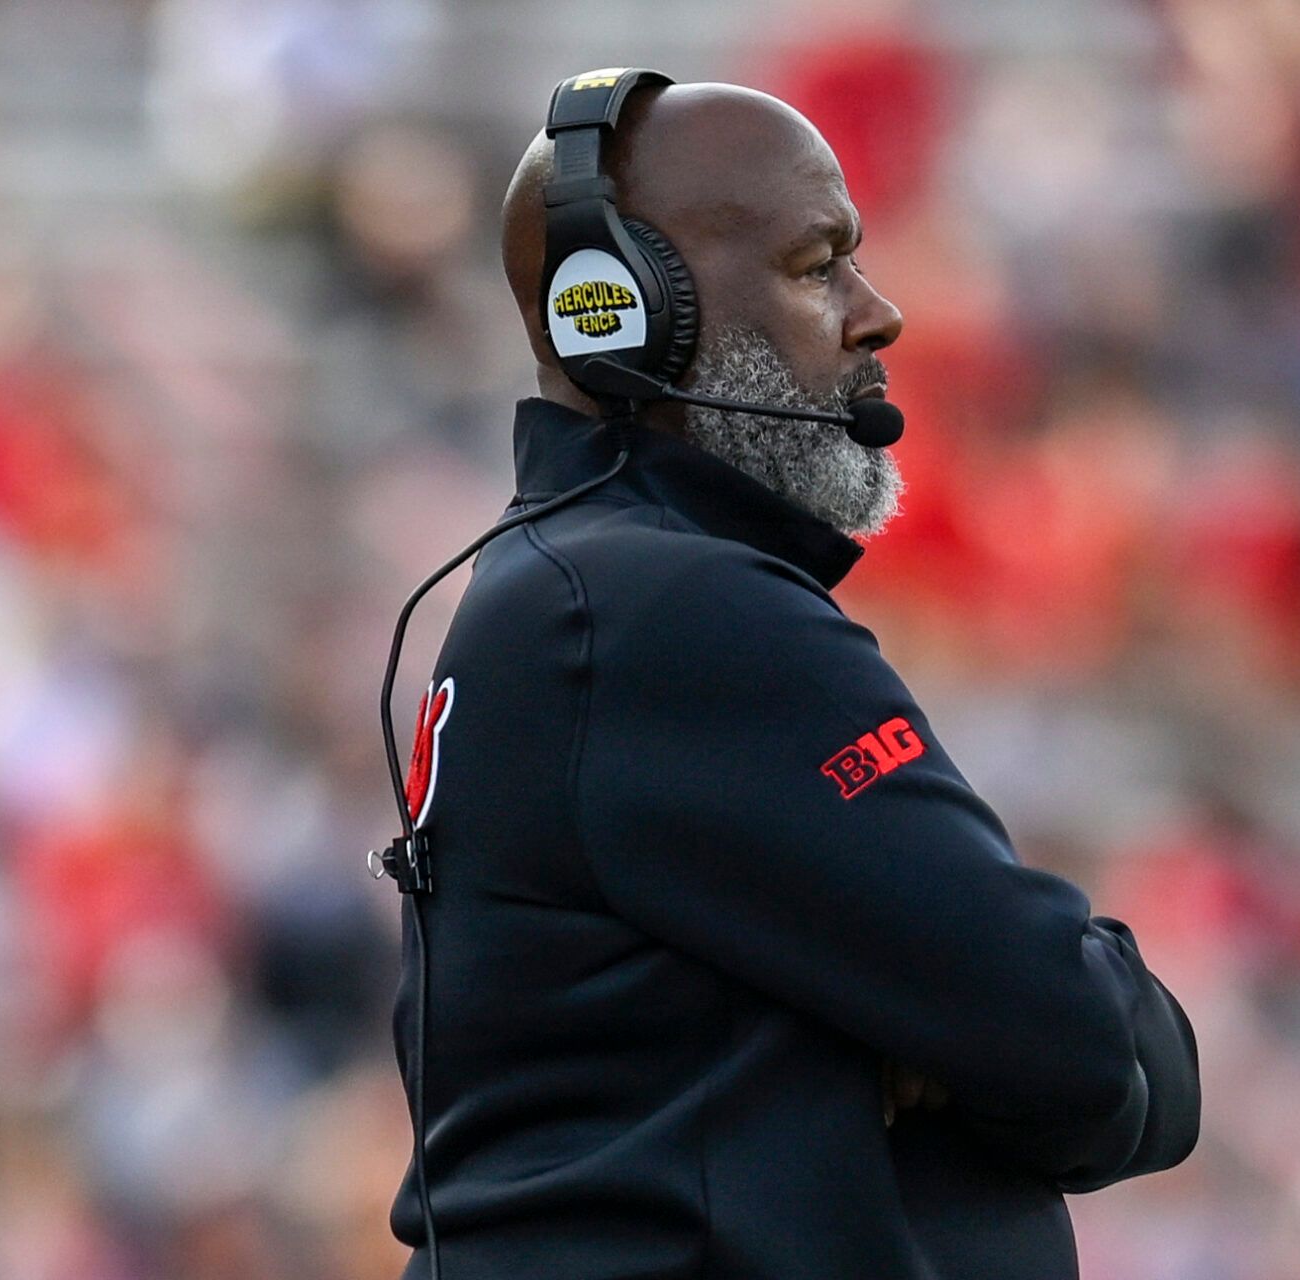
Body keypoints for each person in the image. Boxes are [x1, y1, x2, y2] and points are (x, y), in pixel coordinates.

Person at [384, 71, 1199, 1280]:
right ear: (628, 313)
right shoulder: (669, 608)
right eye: (819, 266)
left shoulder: (574, 593)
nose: (880, 315)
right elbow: (1085, 1045)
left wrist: (923, 1034)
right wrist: (940, 1028)